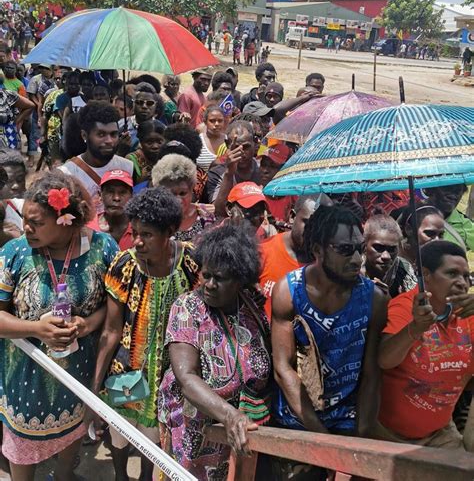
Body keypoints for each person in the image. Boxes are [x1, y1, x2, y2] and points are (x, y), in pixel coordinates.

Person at [0, 170, 118, 480]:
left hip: (81, 375)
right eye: (25, 218)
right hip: (25, 379)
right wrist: (36, 329)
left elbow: (118, 306)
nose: (26, 228)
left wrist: (88, 323)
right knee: (22, 451)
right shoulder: (15, 253)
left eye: (36, 222)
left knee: (73, 438)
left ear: (65, 218)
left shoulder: (103, 249)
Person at [89, 187, 199, 481]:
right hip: (125, 372)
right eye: (134, 231)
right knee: (119, 434)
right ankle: (120, 475)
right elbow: (111, 331)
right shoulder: (124, 265)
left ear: (170, 232)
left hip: (169, 377)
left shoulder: (190, 262)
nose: (137, 241)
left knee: (156, 442)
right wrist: (94, 392)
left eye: (147, 235)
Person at [158, 222, 271, 479]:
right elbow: (186, 377)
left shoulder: (252, 304)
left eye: (219, 278)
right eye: (205, 275)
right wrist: (230, 415)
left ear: (240, 279)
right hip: (196, 431)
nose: (208, 284)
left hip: (244, 431)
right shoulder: (188, 308)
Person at [272, 205, 387, 439]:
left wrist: (362, 434)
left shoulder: (374, 299)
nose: (357, 259)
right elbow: (283, 369)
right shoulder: (289, 291)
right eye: (345, 250)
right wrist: (322, 437)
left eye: (359, 249)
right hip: (298, 419)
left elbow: (371, 372)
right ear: (318, 250)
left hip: (347, 420)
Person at [377, 240, 474, 448]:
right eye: (452, 274)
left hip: (441, 434)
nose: (462, 283)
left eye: (466, 276)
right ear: (426, 275)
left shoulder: (467, 313)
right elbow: (385, 360)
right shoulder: (405, 306)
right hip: (390, 436)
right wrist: (416, 328)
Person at [259, 195, 331, 317]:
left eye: (322, 226)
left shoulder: (332, 264)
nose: (314, 231)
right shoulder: (263, 251)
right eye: (308, 223)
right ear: (292, 217)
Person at [60, 102, 133, 214]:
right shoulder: (67, 174)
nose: (109, 141)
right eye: (101, 135)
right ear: (84, 135)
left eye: (113, 134)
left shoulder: (128, 167)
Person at [152, 154, 216, 242]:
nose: (178, 200)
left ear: (191, 190)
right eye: (171, 194)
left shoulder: (206, 215)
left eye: (182, 193)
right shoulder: (153, 219)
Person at [206, 121, 260, 215]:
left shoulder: (263, 170)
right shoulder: (217, 173)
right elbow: (218, 211)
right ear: (227, 144)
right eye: (236, 147)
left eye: (246, 147)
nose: (241, 153)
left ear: (255, 144)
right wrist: (228, 173)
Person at [363, 212, 416, 298]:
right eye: (378, 248)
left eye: (392, 249)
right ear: (364, 245)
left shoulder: (403, 270)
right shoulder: (354, 268)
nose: (386, 256)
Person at [89, 169, 134, 250]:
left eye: (122, 192)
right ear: (100, 195)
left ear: (132, 196)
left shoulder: (140, 230)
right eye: (110, 191)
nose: (116, 198)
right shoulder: (89, 228)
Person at [424, 184, 474, 252]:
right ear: (430, 190)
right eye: (446, 188)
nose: (452, 195)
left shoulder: (465, 225)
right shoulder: (413, 218)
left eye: (458, 190)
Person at [127, 120, 166, 185]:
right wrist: (141, 181)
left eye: (159, 142)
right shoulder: (131, 161)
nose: (155, 146)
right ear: (141, 142)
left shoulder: (168, 158)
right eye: (149, 142)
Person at [0, 82, 34, 150]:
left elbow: (30, 106)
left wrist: (16, 122)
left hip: (8, 138)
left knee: (10, 159)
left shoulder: (6, 95)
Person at [197, 105, 227, 171]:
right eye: (212, 121)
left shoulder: (229, 141)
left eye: (220, 121)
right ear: (205, 122)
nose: (216, 124)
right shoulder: (197, 141)